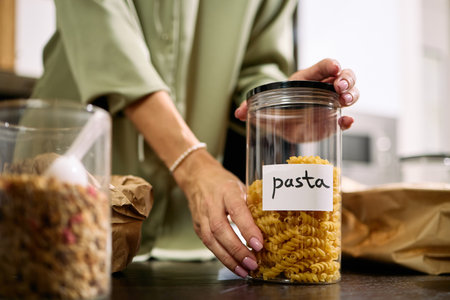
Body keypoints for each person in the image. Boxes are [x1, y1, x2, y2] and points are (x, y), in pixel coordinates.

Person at [32, 0, 359, 278]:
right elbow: (106, 41)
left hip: (194, 236)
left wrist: (280, 105)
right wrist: (191, 162)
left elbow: (257, 66)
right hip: (66, 182)